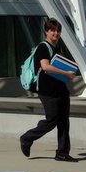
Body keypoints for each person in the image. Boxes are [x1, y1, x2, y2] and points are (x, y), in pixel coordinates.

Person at [20, 18, 79, 162]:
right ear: (46, 31)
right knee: (52, 120)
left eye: (58, 31)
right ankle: (27, 138)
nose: (56, 33)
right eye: (53, 30)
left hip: (61, 90)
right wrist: (66, 73)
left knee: (64, 122)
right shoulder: (43, 47)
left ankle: (62, 152)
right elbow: (45, 67)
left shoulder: (56, 49)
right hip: (47, 91)